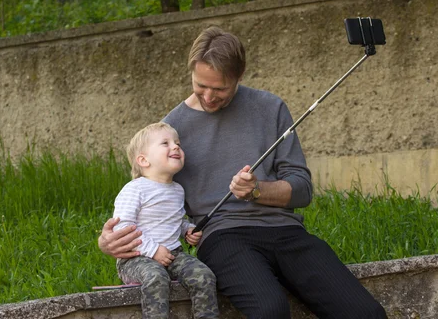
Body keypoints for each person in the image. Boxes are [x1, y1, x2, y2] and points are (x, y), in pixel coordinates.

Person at [100, 27, 387, 319]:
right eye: (200, 85)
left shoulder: (270, 108)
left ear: (240, 75)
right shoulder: (170, 132)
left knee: (367, 313)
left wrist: (257, 190)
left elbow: (302, 190)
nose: (208, 97)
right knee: (270, 311)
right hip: (224, 237)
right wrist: (108, 241)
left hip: (286, 232)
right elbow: (148, 199)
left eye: (220, 89)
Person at [112, 122, 219, 319]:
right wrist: (153, 250)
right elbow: (122, 227)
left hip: (172, 255)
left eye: (177, 143)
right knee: (156, 277)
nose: (176, 146)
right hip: (135, 259)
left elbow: (172, 221)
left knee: (204, 276)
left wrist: (187, 230)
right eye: (165, 143)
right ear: (144, 160)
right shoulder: (135, 189)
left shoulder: (177, 190)